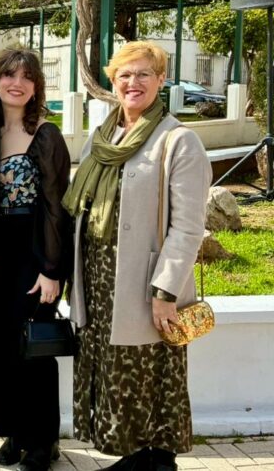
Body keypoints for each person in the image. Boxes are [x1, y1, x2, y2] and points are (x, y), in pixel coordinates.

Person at [63, 41, 210, 471]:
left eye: (145, 73)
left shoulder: (179, 141)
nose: (134, 83)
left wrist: (165, 289)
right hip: (98, 273)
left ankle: (155, 457)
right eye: (125, 74)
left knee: (148, 368)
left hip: (145, 281)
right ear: (113, 81)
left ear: (161, 80)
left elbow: (188, 226)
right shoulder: (103, 136)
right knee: (111, 366)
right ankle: (133, 454)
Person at [0, 47, 71, 471]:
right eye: (9, 75)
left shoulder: (47, 135)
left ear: (36, 87)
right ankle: (13, 433)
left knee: (34, 349)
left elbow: (57, 207)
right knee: (1, 345)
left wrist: (53, 270)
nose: (17, 83)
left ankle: (43, 441)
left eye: (27, 77)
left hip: (33, 251)